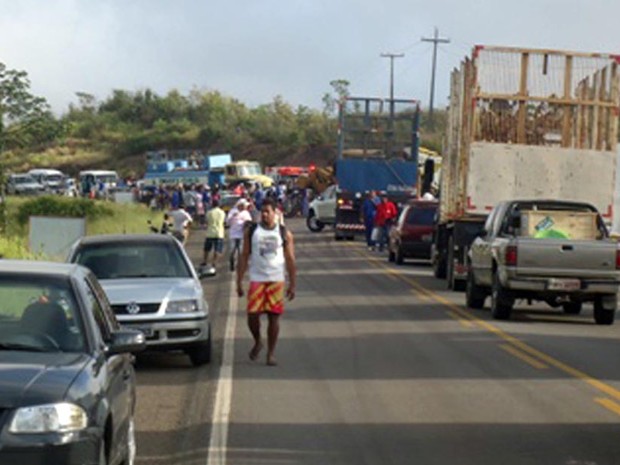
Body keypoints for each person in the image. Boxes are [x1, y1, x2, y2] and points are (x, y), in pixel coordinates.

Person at [237, 198, 296, 366]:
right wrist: (239, 281)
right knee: (252, 315)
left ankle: (271, 353)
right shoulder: (252, 231)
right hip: (257, 279)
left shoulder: (284, 233)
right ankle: (257, 340)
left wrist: (292, 284)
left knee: (273, 318)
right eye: (262, 212)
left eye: (267, 212)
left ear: (275, 213)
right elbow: (244, 256)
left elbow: (290, 259)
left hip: (276, 280)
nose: (264, 215)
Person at [226, 198, 252, 271]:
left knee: (241, 251)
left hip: (242, 234)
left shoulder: (246, 213)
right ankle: (232, 262)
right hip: (233, 234)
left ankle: (240, 265)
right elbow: (227, 222)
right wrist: (233, 217)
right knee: (232, 250)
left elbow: (249, 222)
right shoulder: (233, 211)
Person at [202, 199, 226, 272]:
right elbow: (224, 221)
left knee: (207, 249)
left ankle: (205, 261)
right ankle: (214, 262)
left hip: (210, 232)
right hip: (219, 232)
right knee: (217, 249)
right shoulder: (222, 212)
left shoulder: (209, 212)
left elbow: (207, 221)